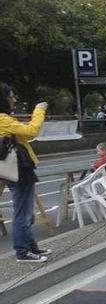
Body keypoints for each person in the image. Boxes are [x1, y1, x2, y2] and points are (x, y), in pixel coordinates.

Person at [0, 83, 51, 262]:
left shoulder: (6, 119)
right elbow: (32, 130)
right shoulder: (2, 119)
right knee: (22, 211)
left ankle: (31, 247)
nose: (14, 99)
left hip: (14, 168)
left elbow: (25, 135)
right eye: (11, 96)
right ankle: (23, 251)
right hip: (18, 168)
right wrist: (39, 111)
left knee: (26, 210)